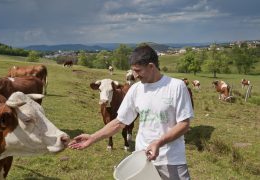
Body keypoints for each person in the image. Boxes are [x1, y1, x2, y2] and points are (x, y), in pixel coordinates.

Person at [69, 45, 194, 180]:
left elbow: (184, 124)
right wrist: (93, 137)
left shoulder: (176, 87)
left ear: (151, 66)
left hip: (172, 161)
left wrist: (159, 142)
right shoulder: (136, 90)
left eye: (137, 70)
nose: (134, 75)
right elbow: (119, 122)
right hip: (143, 160)